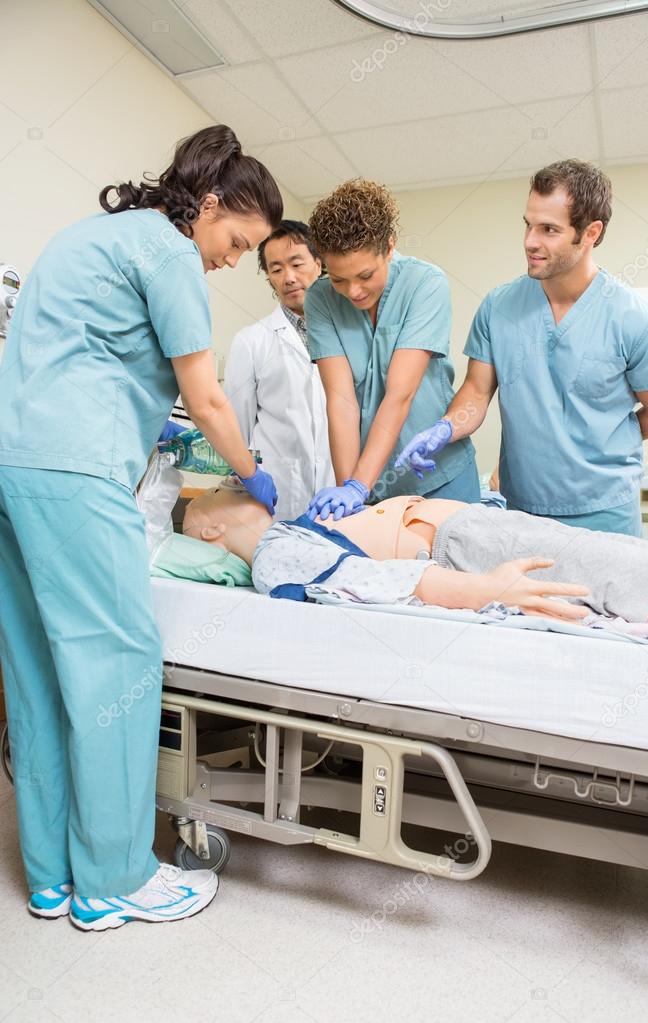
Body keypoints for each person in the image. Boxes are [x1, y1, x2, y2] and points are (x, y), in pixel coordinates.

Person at [0, 124, 282, 931]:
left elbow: (88, 360)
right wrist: (255, 473)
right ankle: (115, 877)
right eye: (236, 240)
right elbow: (210, 399)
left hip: (15, 465)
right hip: (76, 470)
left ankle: (52, 876)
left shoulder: (94, 236)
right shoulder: (167, 252)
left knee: (39, 672)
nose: (232, 259)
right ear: (211, 205)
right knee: (118, 663)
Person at [397, 160, 648, 537]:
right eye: (528, 224)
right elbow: (477, 392)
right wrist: (443, 429)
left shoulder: (637, 320)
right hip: (523, 511)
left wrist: (596, 447)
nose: (530, 241)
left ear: (590, 233)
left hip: (606, 513)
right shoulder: (498, 307)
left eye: (549, 229)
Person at [183, 488, 648, 630]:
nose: (237, 480)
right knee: (642, 580)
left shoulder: (287, 531)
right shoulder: (273, 558)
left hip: (475, 528)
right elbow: (375, 580)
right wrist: (487, 591)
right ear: (209, 528)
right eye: (219, 492)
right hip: (469, 548)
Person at [303, 179, 480, 522]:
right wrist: (352, 492)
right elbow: (341, 401)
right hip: (374, 485)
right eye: (338, 278)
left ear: (389, 246)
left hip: (440, 475)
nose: (352, 291)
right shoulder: (320, 299)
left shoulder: (424, 284)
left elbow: (400, 393)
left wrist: (358, 484)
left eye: (365, 275)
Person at [223, 220, 333, 519]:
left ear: (319, 263)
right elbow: (235, 430)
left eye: (297, 264)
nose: (289, 277)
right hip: (277, 498)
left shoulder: (347, 333)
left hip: (336, 497)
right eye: (276, 269)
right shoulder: (251, 341)